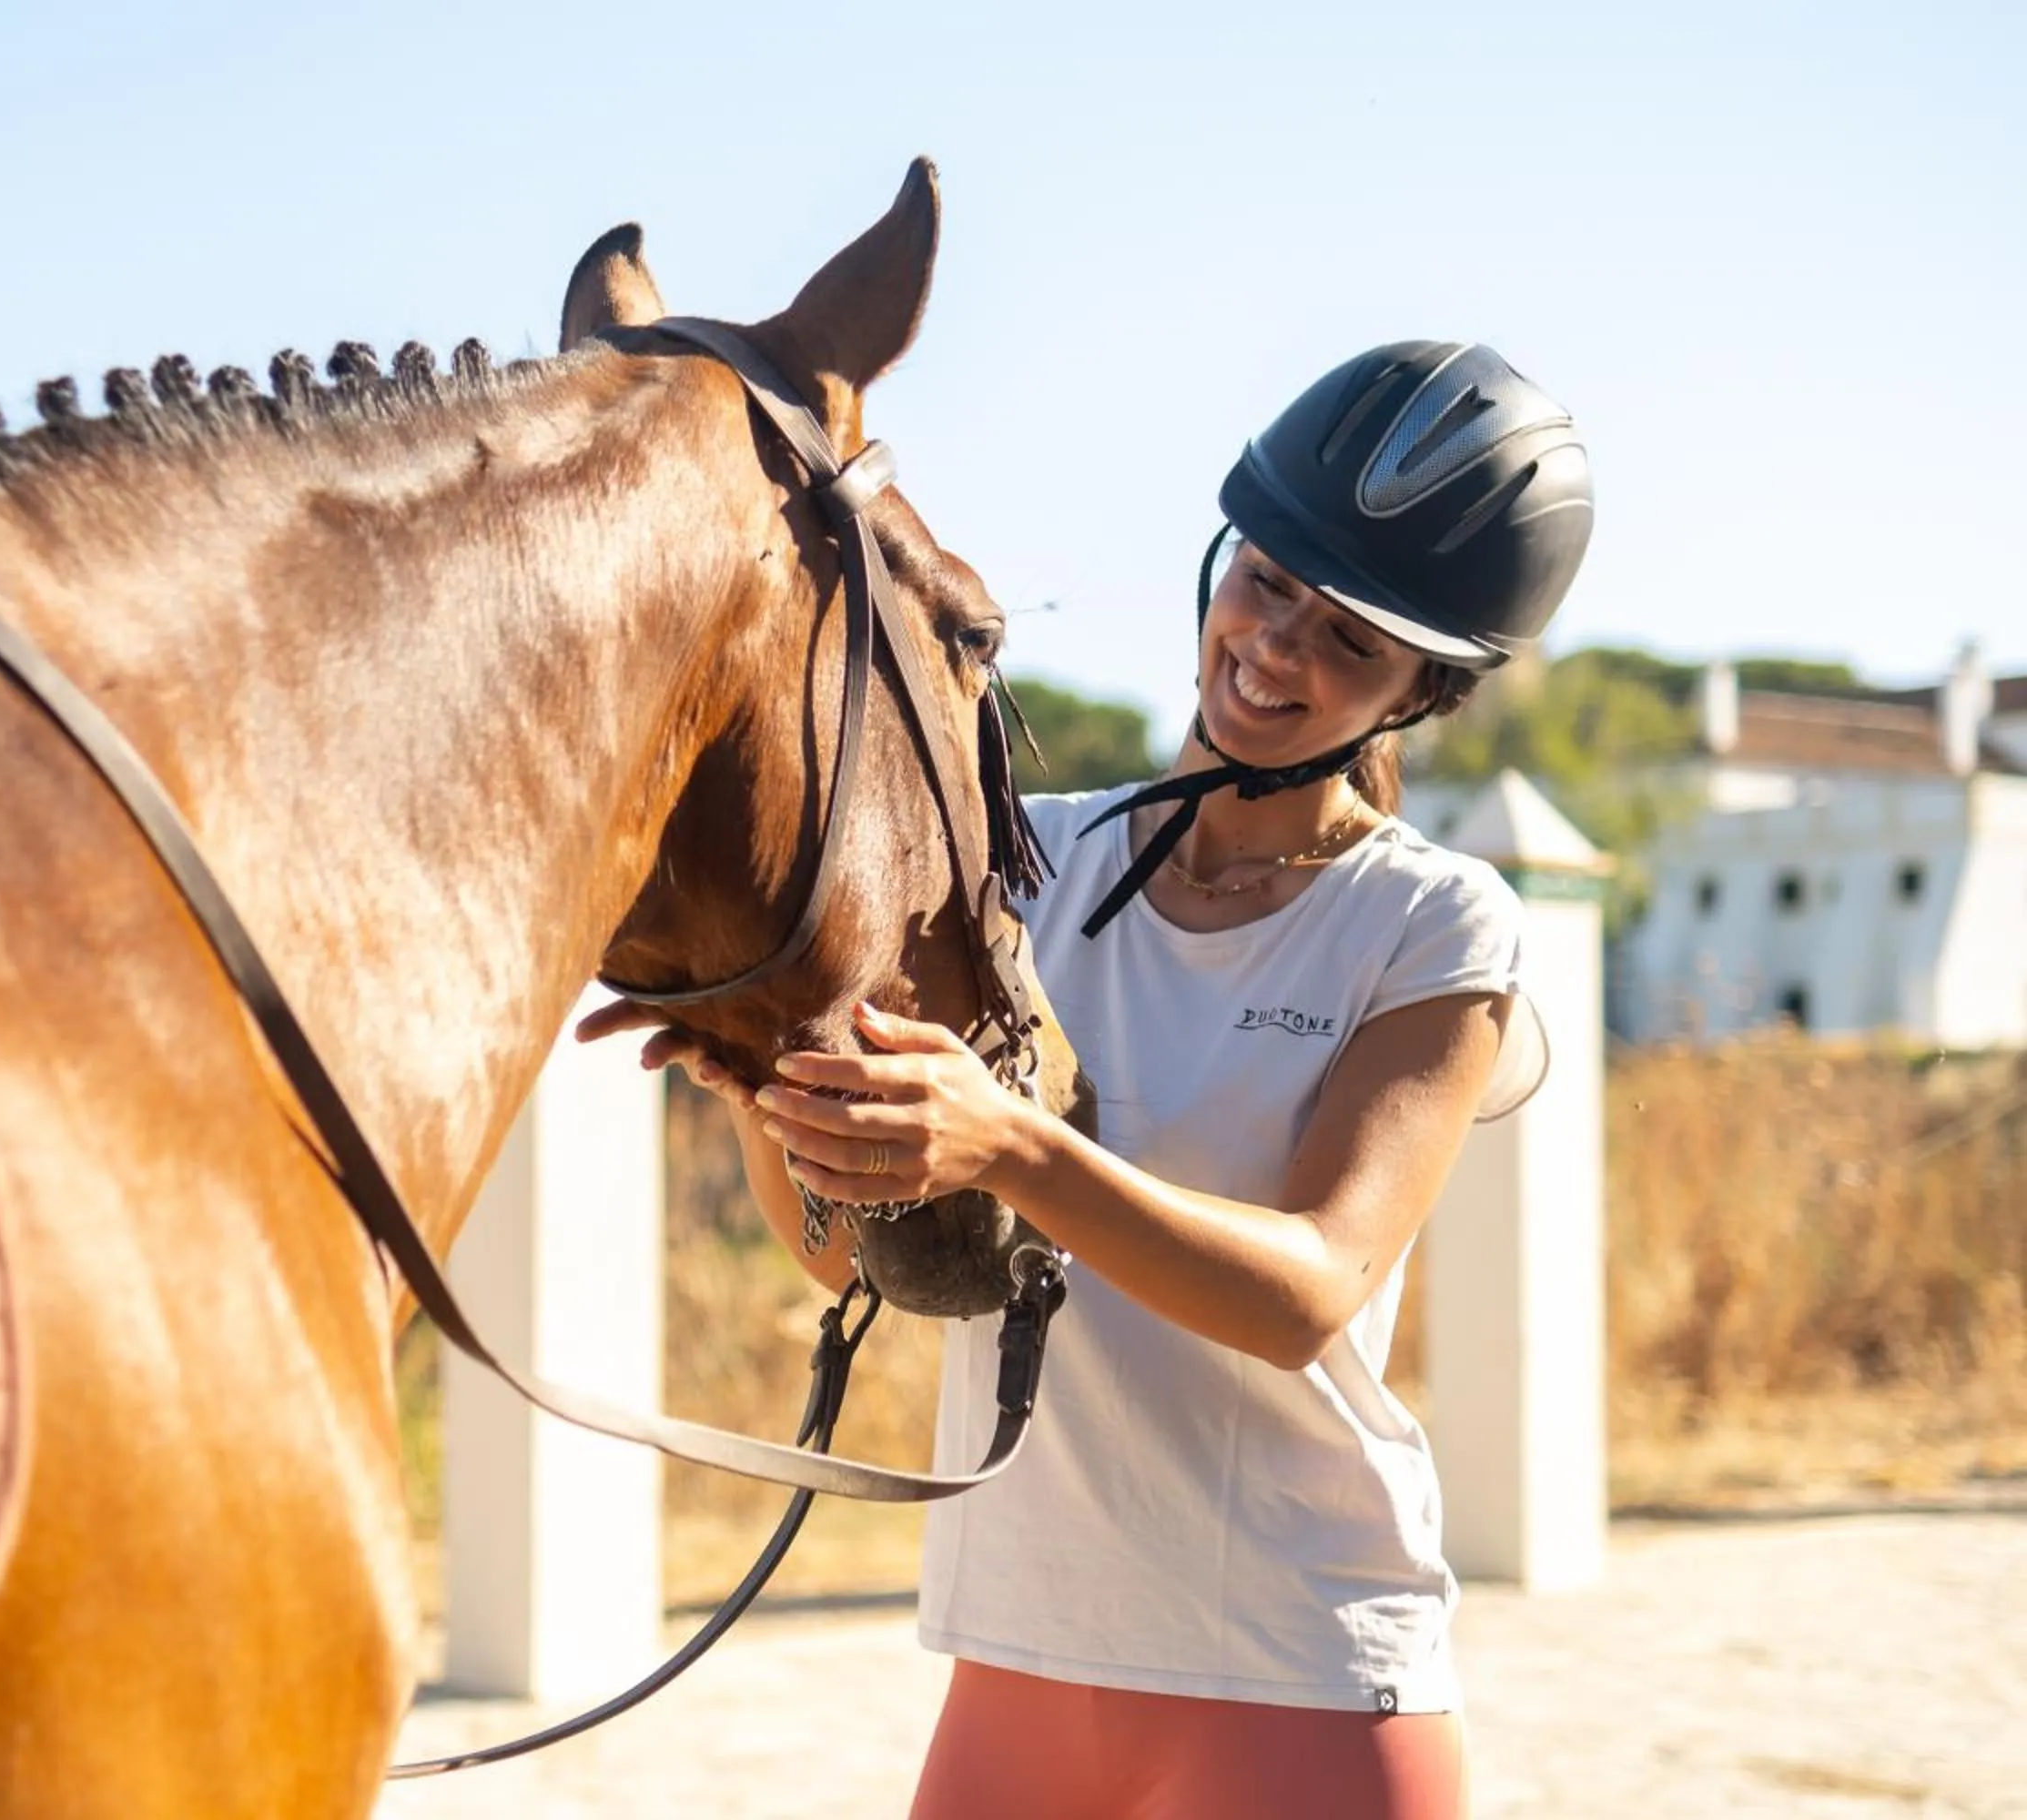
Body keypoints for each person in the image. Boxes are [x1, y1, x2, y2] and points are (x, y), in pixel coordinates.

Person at [592, 340, 1593, 1818]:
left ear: (1422, 697)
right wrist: (767, 1090)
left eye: (1350, 642)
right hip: (1023, 1654)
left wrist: (1005, 1144)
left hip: (1304, 1673)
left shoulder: (1435, 924)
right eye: (1269, 585)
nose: (1277, 648)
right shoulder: (1019, 856)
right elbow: (837, 1259)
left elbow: (1308, 1290)